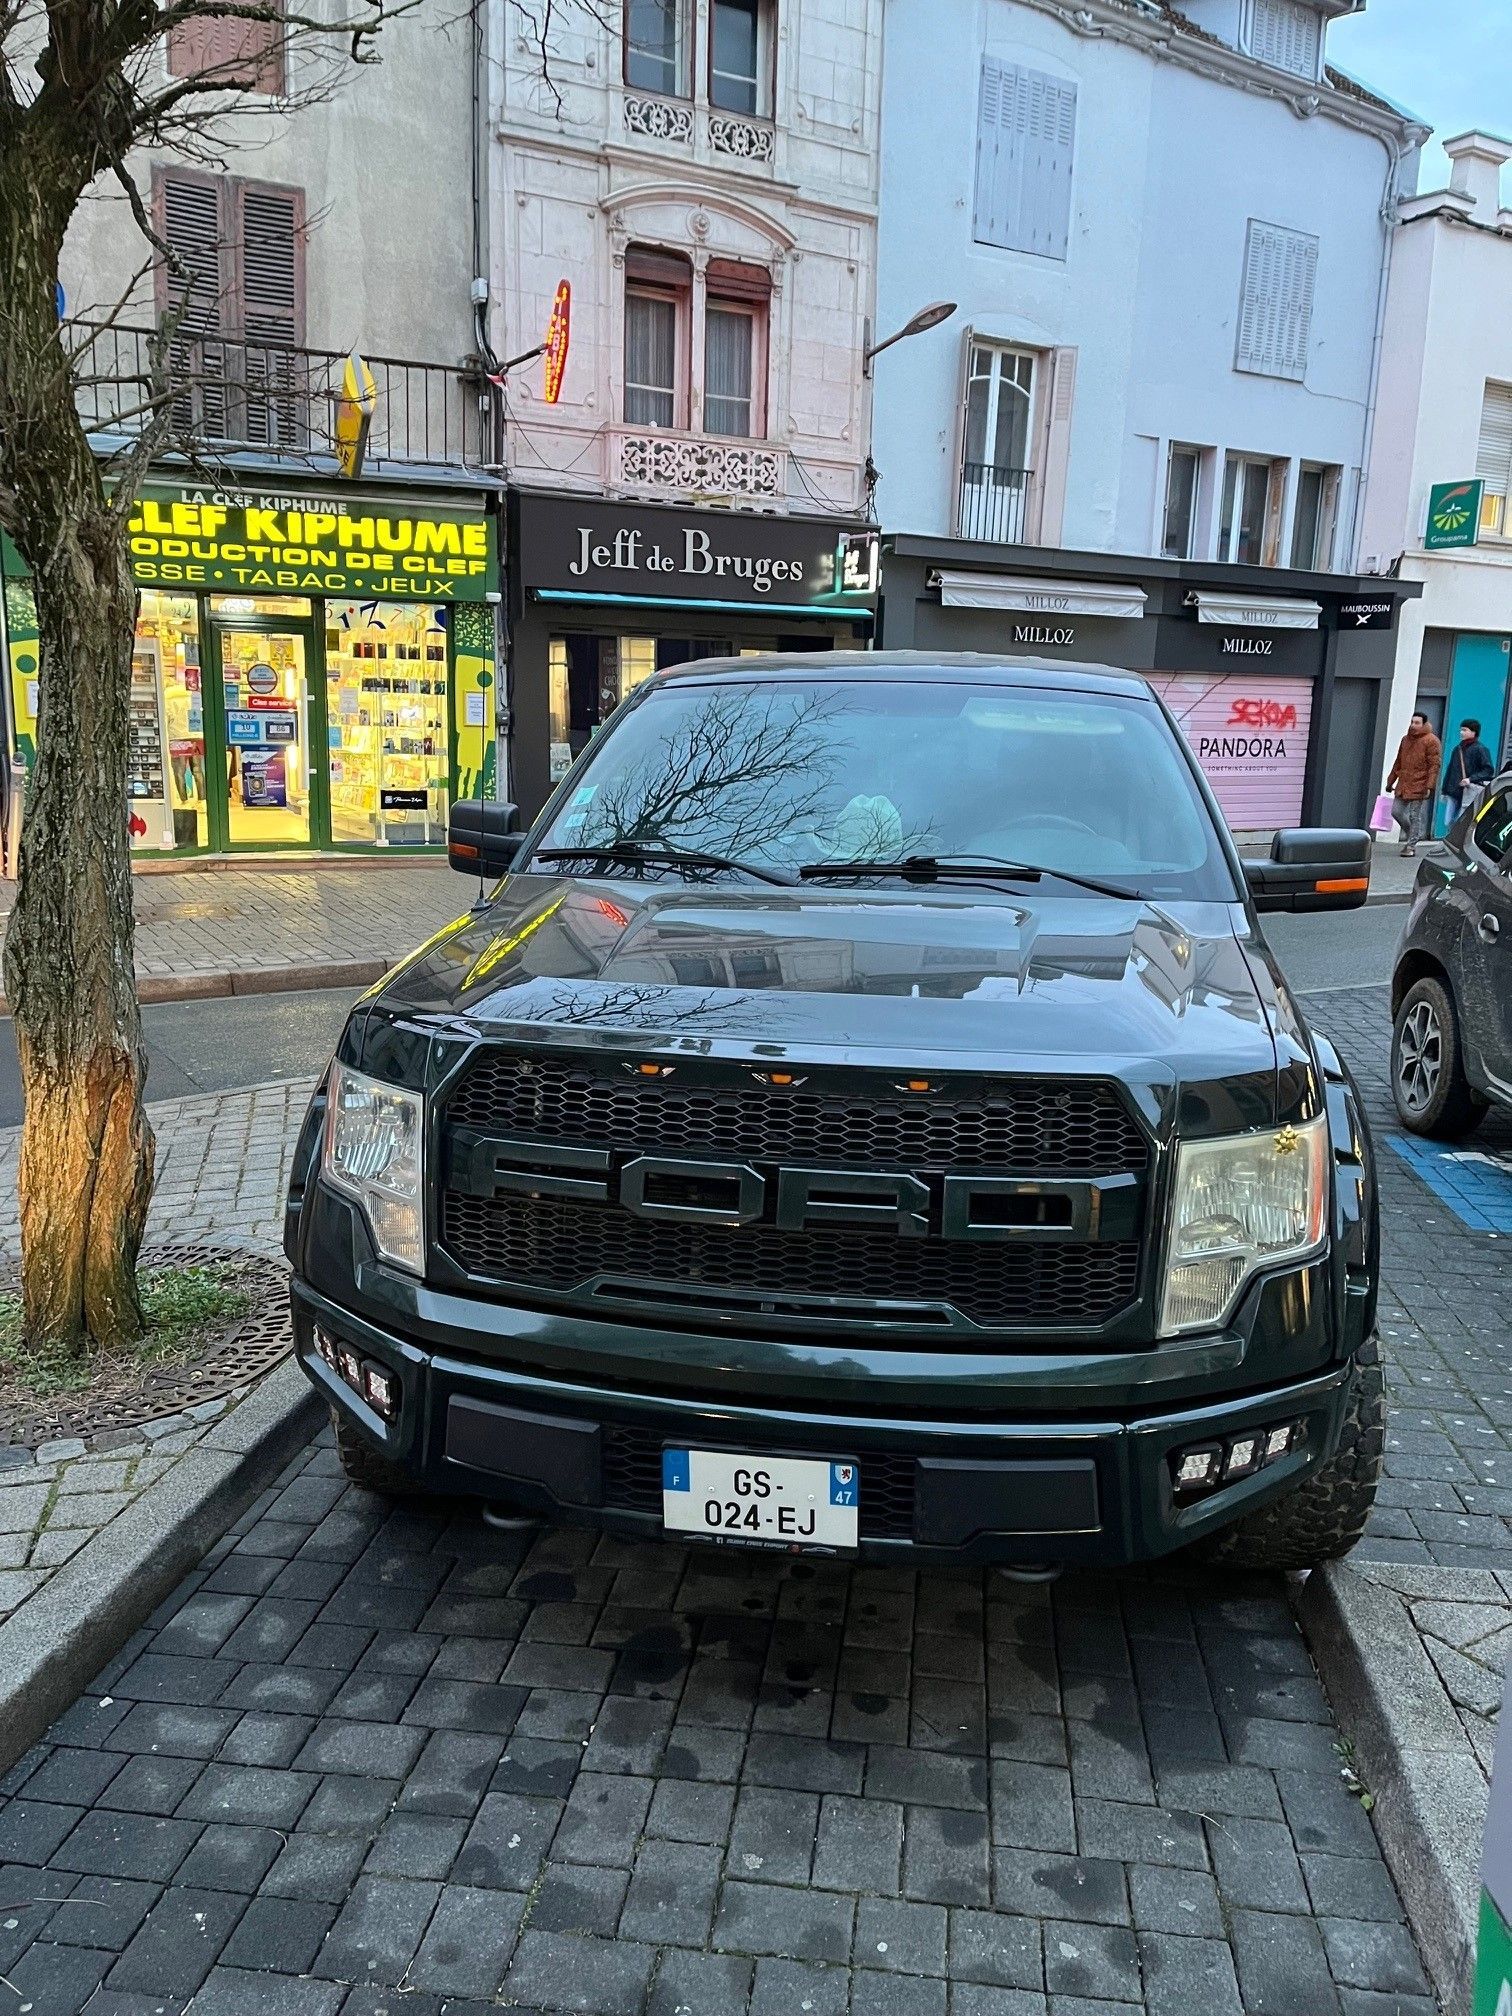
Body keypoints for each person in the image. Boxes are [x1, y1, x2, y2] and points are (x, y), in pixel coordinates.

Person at [1387, 711, 1443, 858]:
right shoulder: (1406, 740)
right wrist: (1390, 781)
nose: (1413, 725)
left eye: (1417, 723)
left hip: (1420, 784)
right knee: (1396, 812)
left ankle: (1411, 845)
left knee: (1414, 815)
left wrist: (1429, 786)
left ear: (1424, 724)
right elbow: (1398, 762)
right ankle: (1413, 834)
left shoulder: (1431, 741)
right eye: (1412, 722)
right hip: (1404, 783)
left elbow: (1434, 766)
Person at [1442, 717, 1495, 824]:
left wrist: (1470, 779)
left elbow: (1488, 770)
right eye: (1461, 730)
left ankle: (1455, 840)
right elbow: (1451, 770)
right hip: (1454, 791)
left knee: (1462, 821)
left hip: (1469, 791)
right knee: (1448, 821)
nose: (1461, 732)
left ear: (1473, 732)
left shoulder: (1480, 749)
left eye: (1465, 730)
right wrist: (1445, 790)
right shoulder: (1458, 749)